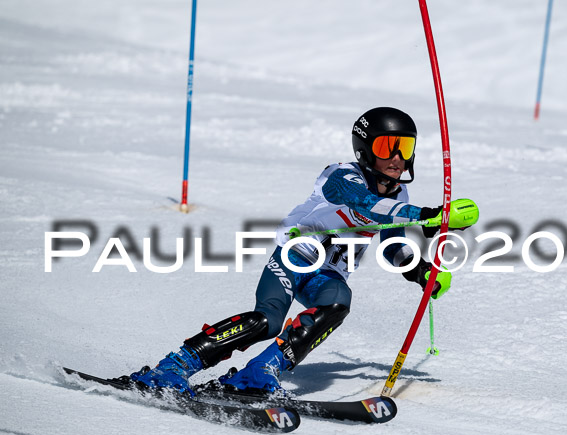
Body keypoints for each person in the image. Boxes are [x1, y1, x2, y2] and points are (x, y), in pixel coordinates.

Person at [130, 107, 471, 396]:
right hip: (294, 260)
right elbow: (365, 203)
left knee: (338, 302)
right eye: (387, 147)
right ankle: (173, 366)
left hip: (327, 275)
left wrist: (421, 270)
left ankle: (258, 373)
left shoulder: (398, 198)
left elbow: (393, 243)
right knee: (267, 321)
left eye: (405, 147)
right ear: (365, 150)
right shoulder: (341, 176)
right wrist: (428, 215)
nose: (397, 158)